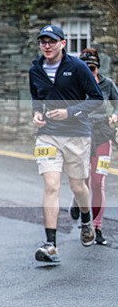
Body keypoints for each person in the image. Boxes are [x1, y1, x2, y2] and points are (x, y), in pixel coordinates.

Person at [29, 24, 103, 263]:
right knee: (51, 184)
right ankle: (51, 244)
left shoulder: (78, 67)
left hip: (77, 134)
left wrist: (70, 112)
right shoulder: (35, 69)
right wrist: (37, 114)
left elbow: (96, 100)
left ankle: (86, 219)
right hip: (48, 134)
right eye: (43, 41)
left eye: (51, 41)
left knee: (78, 186)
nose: (46, 46)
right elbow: (37, 98)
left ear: (62, 43)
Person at [68, 48, 117, 245]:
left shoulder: (107, 84)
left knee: (98, 183)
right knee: (83, 180)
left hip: (103, 134)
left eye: (93, 68)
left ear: (98, 66)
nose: (91, 72)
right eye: (86, 68)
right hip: (81, 135)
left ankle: (97, 227)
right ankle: (77, 198)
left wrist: (115, 115)